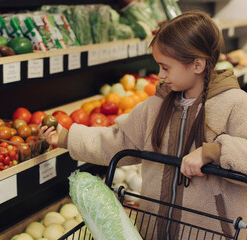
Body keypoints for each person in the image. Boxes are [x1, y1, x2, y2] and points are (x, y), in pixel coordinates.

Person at [39, 11, 247, 239]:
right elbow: (118, 141)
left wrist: (213, 152)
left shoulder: (235, 104)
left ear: (197, 64)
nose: (159, 74)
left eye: (166, 67)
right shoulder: (156, 106)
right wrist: (66, 137)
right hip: (153, 231)